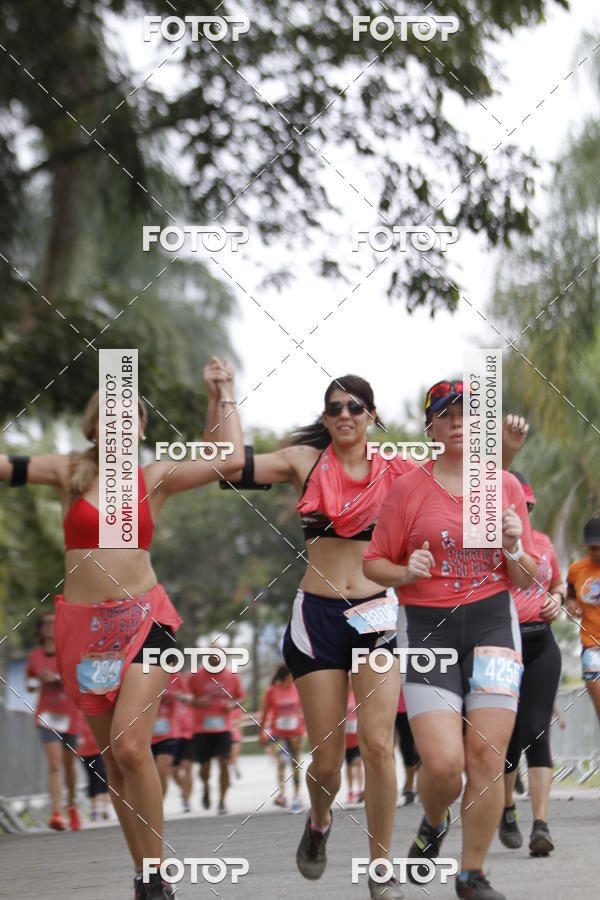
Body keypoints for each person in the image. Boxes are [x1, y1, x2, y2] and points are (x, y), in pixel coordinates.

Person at [216, 374, 528, 900]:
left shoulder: (401, 471)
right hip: (318, 618)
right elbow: (228, 468)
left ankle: (380, 872)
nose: (345, 414)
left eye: (356, 407)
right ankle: (318, 822)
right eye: (335, 407)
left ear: (372, 416)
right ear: (325, 417)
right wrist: (222, 396)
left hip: (379, 616)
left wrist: (503, 456)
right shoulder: (302, 462)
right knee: (329, 762)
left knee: (380, 745)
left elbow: (461, 479)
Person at [4, 357, 243, 900]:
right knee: (111, 757)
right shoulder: (69, 472)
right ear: (94, 426)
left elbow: (228, 459)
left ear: (139, 429)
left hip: (145, 621)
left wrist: (221, 393)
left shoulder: (152, 476)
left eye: (130, 416)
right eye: (111, 414)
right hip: (83, 633)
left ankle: (158, 877)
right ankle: (143, 876)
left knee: (132, 748)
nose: (121, 422)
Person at [363, 379, 537, 900]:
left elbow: (527, 576)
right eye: (446, 414)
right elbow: (373, 564)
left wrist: (512, 547)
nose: (458, 421)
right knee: (444, 765)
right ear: (431, 426)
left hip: (493, 624)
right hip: (427, 626)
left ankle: (472, 875)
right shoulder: (408, 490)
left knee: (486, 757)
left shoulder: (503, 485)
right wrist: (404, 570)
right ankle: (433, 821)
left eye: (468, 413)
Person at [498, 473, 563, 857]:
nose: (523, 513)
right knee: (506, 737)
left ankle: (540, 824)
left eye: (528, 507)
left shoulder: (543, 543)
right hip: (503, 645)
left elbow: (555, 583)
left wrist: (557, 597)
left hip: (542, 643)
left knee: (537, 730)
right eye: (516, 506)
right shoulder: (490, 545)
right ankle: (507, 808)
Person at [26, 611, 82, 831]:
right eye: (46, 623)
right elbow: (30, 676)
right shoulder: (35, 656)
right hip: (47, 715)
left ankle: (72, 806)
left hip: (70, 715)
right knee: (55, 764)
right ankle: (56, 813)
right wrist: (32, 683)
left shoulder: (68, 652)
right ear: (40, 629)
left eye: (53, 623)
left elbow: (80, 678)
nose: (50, 627)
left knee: (69, 765)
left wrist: (57, 678)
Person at [189, 646, 245, 815]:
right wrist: (197, 702)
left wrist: (232, 705)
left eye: (218, 656)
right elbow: (185, 697)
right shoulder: (196, 676)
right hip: (201, 729)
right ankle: (206, 786)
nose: (214, 659)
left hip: (223, 728)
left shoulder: (232, 676)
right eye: (211, 656)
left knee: (224, 764)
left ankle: (222, 801)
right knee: (204, 768)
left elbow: (240, 697)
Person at [566, 515, 600, 725]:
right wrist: (570, 606)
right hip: (592, 649)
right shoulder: (576, 570)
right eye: (592, 548)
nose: (597, 553)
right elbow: (569, 596)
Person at [260, 663, 306, 813]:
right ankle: (282, 794)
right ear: (287, 675)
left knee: (295, 764)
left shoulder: (298, 689)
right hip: (277, 734)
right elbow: (265, 713)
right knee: (281, 760)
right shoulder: (272, 692)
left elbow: (304, 710)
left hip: (296, 734)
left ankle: (297, 796)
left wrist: (305, 728)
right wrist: (261, 732)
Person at [76, 716, 111, 821]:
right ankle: (94, 808)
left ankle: (105, 807)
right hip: (83, 751)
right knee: (91, 777)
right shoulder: (77, 712)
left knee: (102, 774)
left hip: (98, 749)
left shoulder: (93, 709)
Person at [150, 675, 180, 796]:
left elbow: (188, 696)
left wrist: (176, 696)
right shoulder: (141, 672)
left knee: (162, 770)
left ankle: (159, 807)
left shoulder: (175, 676)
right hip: (146, 734)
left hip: (169, 733)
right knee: (150, 775)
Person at [171, 672, 196, 812]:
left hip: (188, 732)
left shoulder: (183, 683)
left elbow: (192, 699)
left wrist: (181, 696)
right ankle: (183, 790)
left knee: (188, 766)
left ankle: (187, 799)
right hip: (171, 733)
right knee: (174, 771)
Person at [395, 685, 419, 806]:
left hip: (410, 707)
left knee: (409, 745)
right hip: (389, 706)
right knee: (388, 748)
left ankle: (410, 785)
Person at [344, 687, 364, 804]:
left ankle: (360, 789)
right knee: (349, 765)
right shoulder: (342, 695)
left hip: (356, 736)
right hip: (346, 738)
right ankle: (350, 790)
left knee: (358, 762)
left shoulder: (358, 694)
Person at [229, 706, 244, 780]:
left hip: (235, 736)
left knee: (233, 756)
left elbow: (239, 721)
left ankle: (235, 768)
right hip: (225, 735)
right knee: (227, 758)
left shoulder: (237, 709)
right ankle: (230, 775)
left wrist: (229, 723)